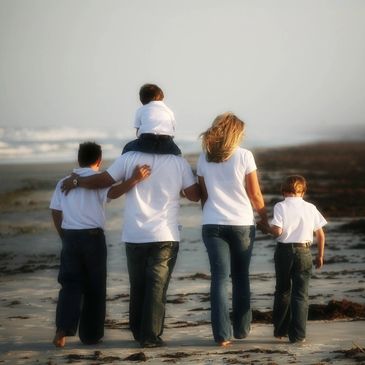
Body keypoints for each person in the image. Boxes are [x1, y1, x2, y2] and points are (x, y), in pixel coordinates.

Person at [61, 149, 200, 348]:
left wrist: (77, 182)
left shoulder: (128, 158)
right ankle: (150, 336)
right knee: (156, 287)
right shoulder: (179, 162)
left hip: (135, 234)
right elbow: (194, 195)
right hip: (165, 235)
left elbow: (103, 181)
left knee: (138, 285)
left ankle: (137, 331)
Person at [50, 141, 150, 348]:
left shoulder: (64, 181)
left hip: (70, 236)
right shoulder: (97, 181)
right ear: (99, 161)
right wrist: (134, 179)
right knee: (95, 287)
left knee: (69, 285)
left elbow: (56, 210)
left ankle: (62, 329)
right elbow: (114, 192)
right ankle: (91, 335)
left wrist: (63, 234)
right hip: (93, 238)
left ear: (79, 159)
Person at [197, 112, 268, 346]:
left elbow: (204, 197)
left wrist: (212, 215)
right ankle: (241, 329)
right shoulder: (245, 156)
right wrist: (265, 219)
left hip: (212, 224)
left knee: (219, 278)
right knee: (240, 277)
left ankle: (221, 335)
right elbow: (255, 195)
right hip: (241, 224)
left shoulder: (203, 158)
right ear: (235, 133)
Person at [261, 175, 326, 343]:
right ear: (303, 191)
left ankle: (280, 330)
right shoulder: (310, 207)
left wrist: (266, 228)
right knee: (301, 295)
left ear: (283, 191)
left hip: (284, 251)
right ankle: (298, 335)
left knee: (282, 291)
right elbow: (320, 234)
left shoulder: (280, 206)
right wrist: (320, 255)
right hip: (304, 252)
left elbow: (278, 231)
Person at [122, 83, 182, 156]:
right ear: (162, 97)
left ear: (142, 99)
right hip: (166, 143)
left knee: (127, 147)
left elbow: (137, 131)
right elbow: (173, 129)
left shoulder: (141, 110)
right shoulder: (168, 110)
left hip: (147, 141)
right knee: (178, 152)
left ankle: (124, 163)